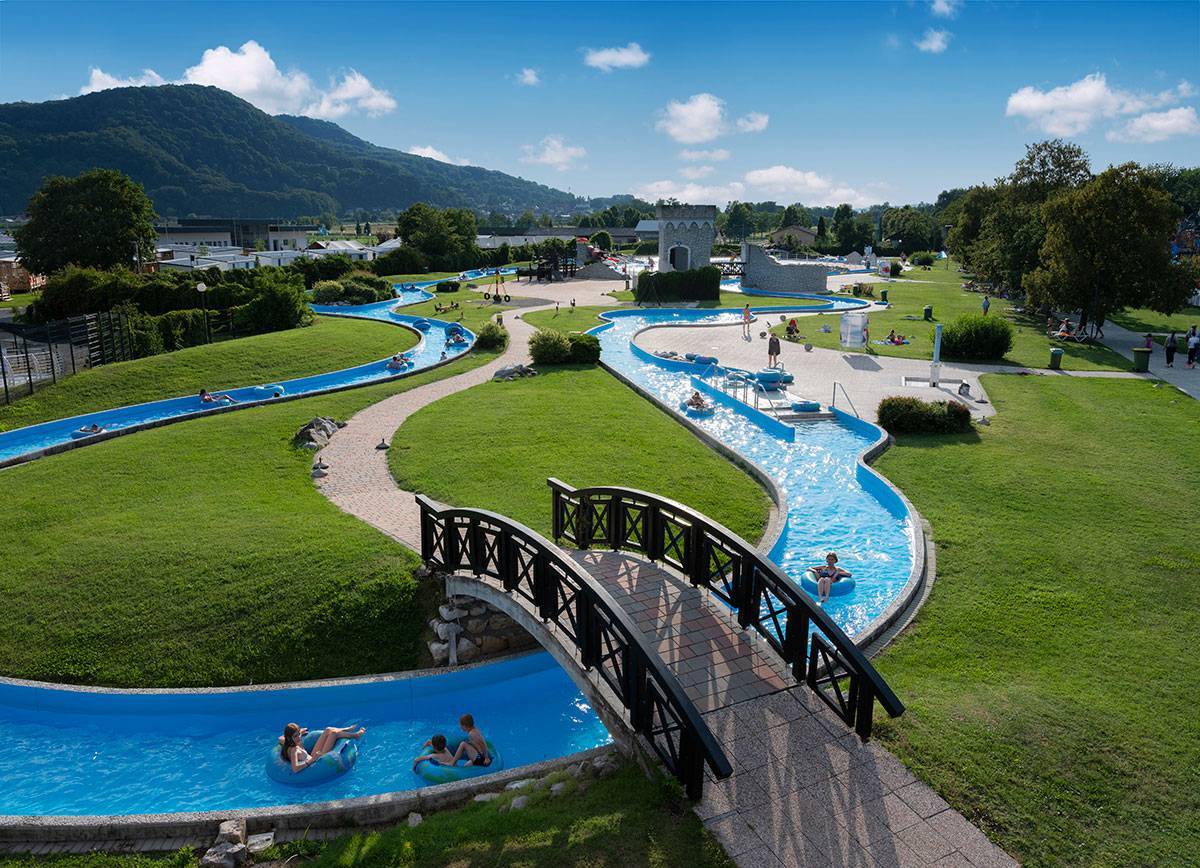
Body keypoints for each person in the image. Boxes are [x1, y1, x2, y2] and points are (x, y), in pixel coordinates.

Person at [279, 723, 365, 774]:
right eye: (295, 736)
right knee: (333, 734)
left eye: (298, 734)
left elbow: (280, 738)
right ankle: (355, 735)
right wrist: (312, 760)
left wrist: (299, 732)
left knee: (328, 729)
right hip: (317, 762)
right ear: (289, 737)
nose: (298, 737)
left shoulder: (287, 742)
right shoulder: (294, 749)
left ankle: (347, 729)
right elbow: (295, 769)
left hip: (313, 756)